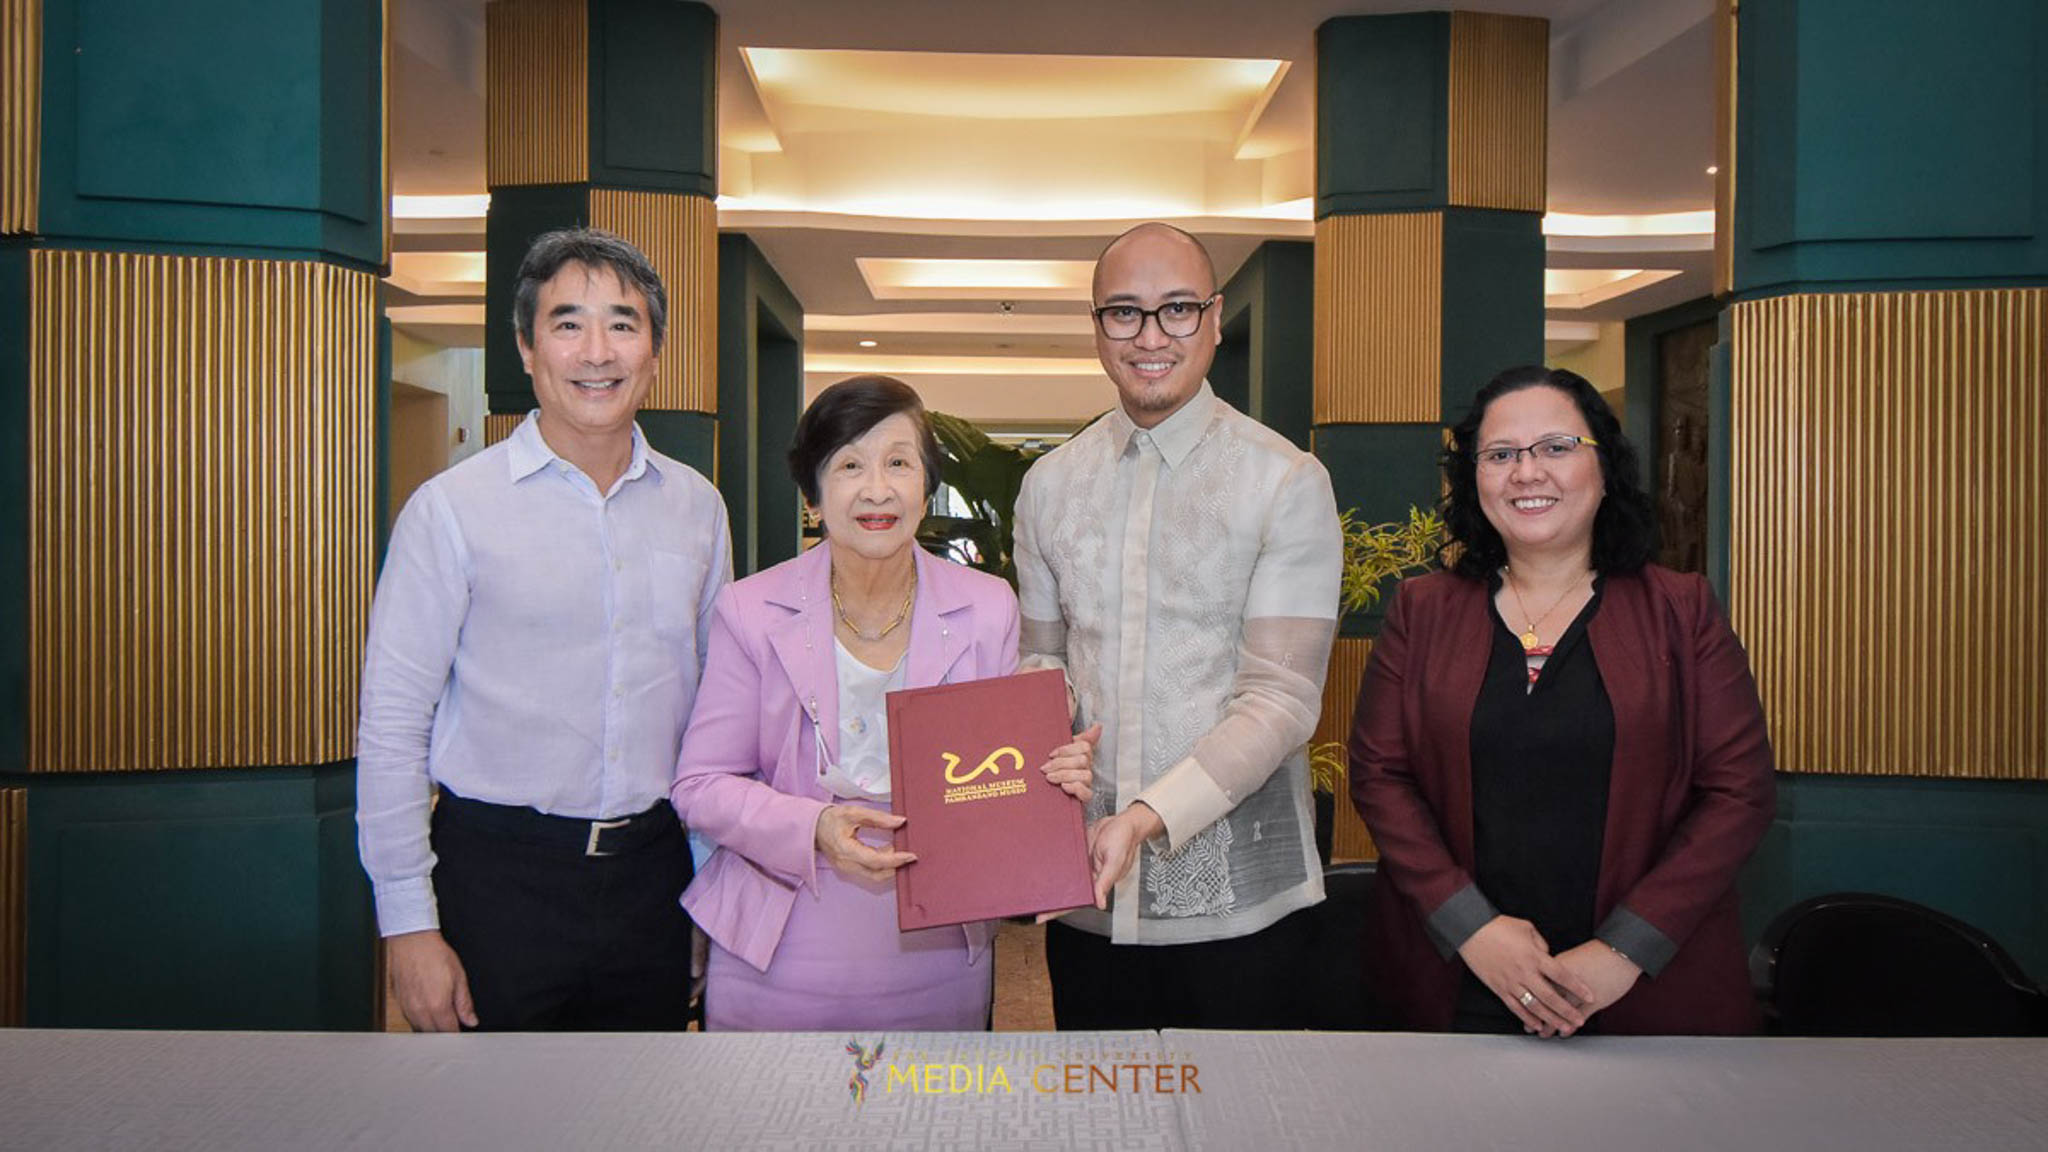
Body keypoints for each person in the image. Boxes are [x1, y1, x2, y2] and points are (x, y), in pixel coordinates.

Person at [356, 227, 731, 1032]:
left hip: (653, 876)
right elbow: (392, 725)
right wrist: (409, 926)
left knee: (644, 1116)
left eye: (623, 325)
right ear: (527, 348)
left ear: (655, 351)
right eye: (568, 324)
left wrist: (710, 894)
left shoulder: (698, 506)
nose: (597, 351)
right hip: (497, 880)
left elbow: (713, 718)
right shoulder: (452, 510)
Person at [1349, 365, 1775, 1037]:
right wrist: (1473, 929)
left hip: (1641, 990)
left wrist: (1623, 951)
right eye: (1500, 455)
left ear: (1605, 467)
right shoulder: (1421, 610)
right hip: (1456, 981)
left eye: (1555, 447)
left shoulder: (1682, 610)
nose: (1527, 472)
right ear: (1474, 478)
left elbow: (1739, 792)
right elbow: (1380, 777)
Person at [671, 375, 1098, 1031]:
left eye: (898, 462)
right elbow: (701, 786)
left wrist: (1051, 780)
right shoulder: (751, 610)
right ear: (813, 495)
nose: (876, 489)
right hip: (777, 950)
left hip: (934, 956)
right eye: (849, 466)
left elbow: (996, 775)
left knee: (924, 1128)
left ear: (925, 487)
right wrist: (812, 828)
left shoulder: (987, 609)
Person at [1014, 223, 1342, 1030]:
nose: (1151, 336)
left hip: (1239, 910)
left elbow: (1283, 700)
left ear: (1217, 317)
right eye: (1123, 313)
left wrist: (1147, 818)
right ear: (1096, 327)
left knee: (1236, 1125)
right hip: (1087, 893)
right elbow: (1040, 657)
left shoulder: (1286, 482)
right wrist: (1033, 736)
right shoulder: (1049, 486)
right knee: (1103, 1117)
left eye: (1178, 310)